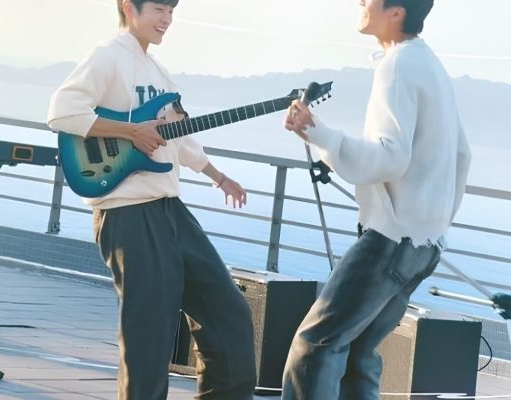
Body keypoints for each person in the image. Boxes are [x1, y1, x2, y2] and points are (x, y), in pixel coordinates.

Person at [46, 1, 257, 399]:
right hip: (126, 212)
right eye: (159, 9)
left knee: (228, 310)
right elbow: (62, 112)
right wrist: (130, 132)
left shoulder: (159, 72)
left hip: (170, 207)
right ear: (129, 6)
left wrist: (218, 176)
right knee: (149, 332)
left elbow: (180, 138)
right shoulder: (108, 55)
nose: (167, 19)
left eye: (171, 11)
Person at [280, 0, 471, 398]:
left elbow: (389, 157)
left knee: (314, 346)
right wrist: (432, 224)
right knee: (357, 354)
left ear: (396, 12)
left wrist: (317, 132)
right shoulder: (431, 64)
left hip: (390, 241)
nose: (360, 3)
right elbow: (462, 155)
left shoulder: (397, 65)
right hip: (423, 245)